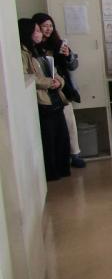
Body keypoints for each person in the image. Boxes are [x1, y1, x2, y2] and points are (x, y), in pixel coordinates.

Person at [19, 18, 71, 181]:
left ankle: (63, 169)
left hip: (56, 98)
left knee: (62, 138)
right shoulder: (23, 53)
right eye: (37, 30)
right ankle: (53, 173)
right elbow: (27, 78)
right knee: (49, 140)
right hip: (43, 101)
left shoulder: (40, 50)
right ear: (27, 33)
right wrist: (49, 82)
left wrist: (59, 82)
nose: (41, 33)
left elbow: (55, 71)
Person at [32, 12, 85, 168]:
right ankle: (59, 158)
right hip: (44, 90)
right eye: (44, 26)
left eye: (51, 26)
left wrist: (68, 56)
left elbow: (73, 66)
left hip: (62, 88)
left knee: (69, 121)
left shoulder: (59, 43)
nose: (48, 29)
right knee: (53, 127)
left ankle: (75, 154)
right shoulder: (33, 47)